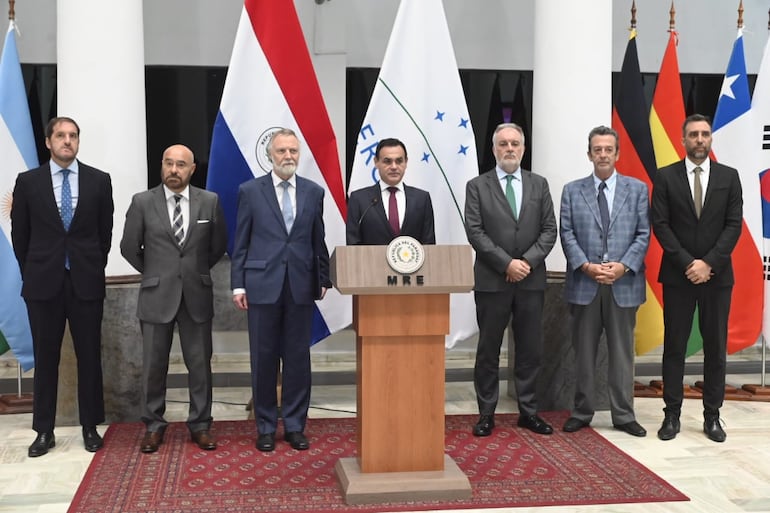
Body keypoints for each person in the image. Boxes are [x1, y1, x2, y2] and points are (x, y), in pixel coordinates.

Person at [11, 117, 113, 457]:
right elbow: (20, 237)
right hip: (43, 285)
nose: (67, 141)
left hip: (85, 282)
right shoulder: (28, 183)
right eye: (61, 136)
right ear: (48, 142)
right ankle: (44, 431)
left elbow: (104, 235)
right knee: (46, 357)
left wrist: (91, 265)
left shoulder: (99, 181)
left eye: (72, 136)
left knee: (89, 358)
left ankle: (89, 427)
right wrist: (35, 271)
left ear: (78, 142)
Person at [120, 144, 227, 453]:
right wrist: (154, 272)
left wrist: (192, 271)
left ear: (192, 169)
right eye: (168, 163)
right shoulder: (142, 202)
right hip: (156, 295)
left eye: (181, 165)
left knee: (200, 365)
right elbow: (129, 247)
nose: (173, 170)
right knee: (154, 365)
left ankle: (201, 425)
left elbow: (218, 246)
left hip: (196, 294)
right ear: (162, 166)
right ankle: (153, 425)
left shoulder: (210, 202)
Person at [231, 128, 332, 452]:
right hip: (261, 285)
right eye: (281, 151)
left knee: (298, 359)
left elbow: (318, 239)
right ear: (270, 155)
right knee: (263, 359)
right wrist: (238, 283)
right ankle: (264, 426)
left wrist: (324, 277)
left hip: (301, 286)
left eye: (293, 151)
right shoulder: (250, 191)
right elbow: (241, 242)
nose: (288, 156)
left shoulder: (314, 192)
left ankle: (294, 426)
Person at [651, 114, 742, 443]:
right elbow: (660, 224)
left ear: (711, 139)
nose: (700, 139)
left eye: (704, 134)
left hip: (717, 278)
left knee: (716, 348)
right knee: (674, 347)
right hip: (678, 276)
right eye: (693, 134)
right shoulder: (666, 177)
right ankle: (671, 414)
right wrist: (690, 263)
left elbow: (734, 225)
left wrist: (709, 264)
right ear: (683, 139)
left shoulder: (729, 177)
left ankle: (712, 415)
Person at [464, 122, 557, 437]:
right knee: (488, 349)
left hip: (530, 281)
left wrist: (526, 262)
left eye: (515, 143)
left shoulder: (539, 184)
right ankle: (486, 414)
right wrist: (506, 263)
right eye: (503, 143)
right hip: (492, 280)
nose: (509, 149)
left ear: (523, 148)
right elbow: (475, 231)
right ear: (493, 149)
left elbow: (549, 230)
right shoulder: (477, 186)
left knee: (530, 349)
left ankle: (528, 412)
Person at [559, 126, 650, 437]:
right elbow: (567, 232)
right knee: (583, 353)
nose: (602, 154)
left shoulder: (637, 190)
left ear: (617, 153)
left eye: (607, 149)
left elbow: (643, 234)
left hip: (623, 285)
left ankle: (623, 414)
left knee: (623, 354)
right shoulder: (572, 191)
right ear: (589, 154)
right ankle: (582, 412)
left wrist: (623, 266)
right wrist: (585, 265)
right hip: (585, 284)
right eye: (596, 149)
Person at [346, 138, 435, 245]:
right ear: (376, 162)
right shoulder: (359, 199)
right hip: (371, 261)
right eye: (387, 161)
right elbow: (353, 244)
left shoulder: (421, 199)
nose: (394, 167)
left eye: (399, 161)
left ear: (406, 162)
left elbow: (429, 245)